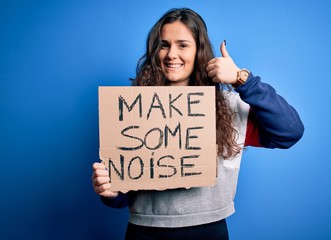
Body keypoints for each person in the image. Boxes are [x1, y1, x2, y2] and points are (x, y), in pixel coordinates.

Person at [92, 7, 304, 240]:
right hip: (145, 231)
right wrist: (110, 191)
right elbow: (122, 196)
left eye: (183, 45)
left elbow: (290, 131)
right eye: (164, 45)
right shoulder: (134, 108)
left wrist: (243, 79)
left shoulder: (229, 106)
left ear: (198, 51)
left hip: (207, 231)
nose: (172, 54)